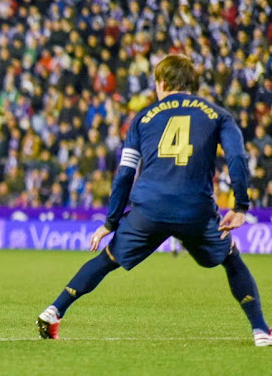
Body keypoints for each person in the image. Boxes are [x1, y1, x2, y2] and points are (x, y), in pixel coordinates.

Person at [36, 55, 272, 347]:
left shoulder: (142, 118)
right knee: (231, 258)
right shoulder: (217, 115)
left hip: (148, 207)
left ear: (161, 83)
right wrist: (240, 206)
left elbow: (124, 173)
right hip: (194, 208)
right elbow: (237, 157)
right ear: (191, 83)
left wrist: (111, 221)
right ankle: (261, 330)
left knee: (108, 259)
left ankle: (54, 310)